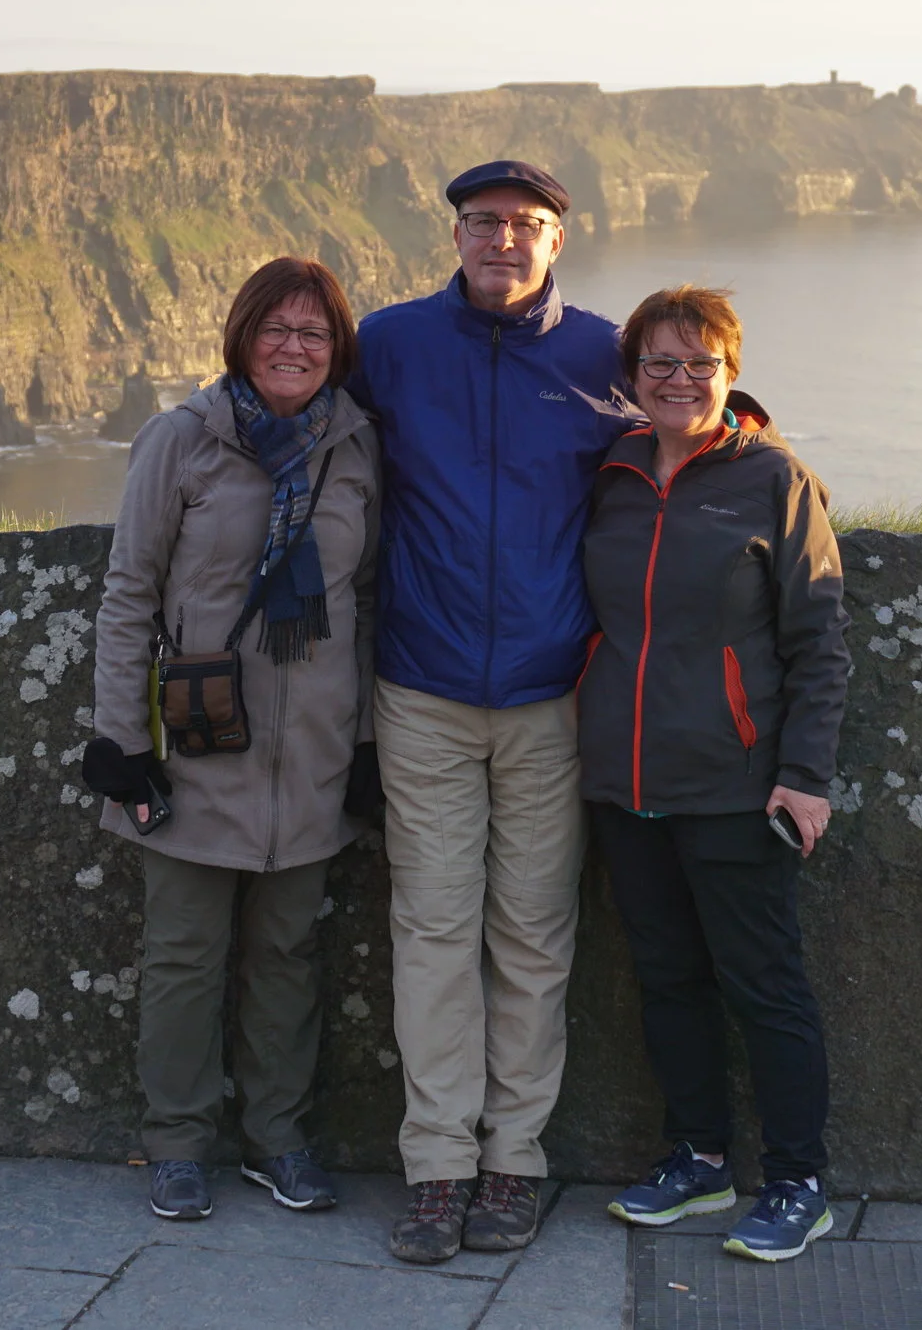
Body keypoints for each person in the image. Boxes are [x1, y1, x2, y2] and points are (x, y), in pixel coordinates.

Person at [347, 160, 637, 1263]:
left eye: (526, 224)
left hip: (552, 691)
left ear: (560, 238)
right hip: (420, 685)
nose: (504, 239)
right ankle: (436, 1167)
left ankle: (514, 1158)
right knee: (429, 929)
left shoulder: (602, 352)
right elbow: (305, 419)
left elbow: (689, 426)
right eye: (484, 221)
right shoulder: (392, 342)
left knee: (531, 931)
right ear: (455, 232)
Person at [83, 256, 385, 1222]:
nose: (294, 347)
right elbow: (129, 592)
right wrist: (118, 739)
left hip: (314, 749)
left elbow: (369, 601)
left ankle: (278, 1140)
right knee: (183, 952)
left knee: (288, 954)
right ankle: (176, 1143)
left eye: (315, 333)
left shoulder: (356, 447)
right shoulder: (182, 441)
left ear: (336, 351)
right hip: (200, 741)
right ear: (241, 336)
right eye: (276, 328)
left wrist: (369, 742)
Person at [577, 284, 851, 1263]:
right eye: (660, 362)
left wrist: (804, 773)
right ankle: (696, 1155)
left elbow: (818, 641)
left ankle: (798, 1180)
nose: (680, 379)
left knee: (763, 981)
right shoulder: (608, 473)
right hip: (623, 777)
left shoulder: (775, 478)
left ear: (730, 374)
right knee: (665, 976)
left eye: (701, 364)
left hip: (736, 780)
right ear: (633, 375)